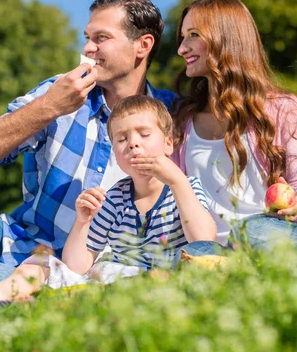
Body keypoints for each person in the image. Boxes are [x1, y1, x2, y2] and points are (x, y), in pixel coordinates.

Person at [0, 0, 176, 294]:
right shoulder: (60, 92)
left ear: (142, 45)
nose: (87, 48)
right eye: (87, 37)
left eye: (101, 38)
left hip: (91, 274)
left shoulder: (173, 115)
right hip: (16, 250)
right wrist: (48, 107)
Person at [171, 0, 297, 250]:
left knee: (254, 230)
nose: (182, 48)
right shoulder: (181, 120)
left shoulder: (282, 109)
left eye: (194, 35)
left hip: (270, 232)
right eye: (183, 37)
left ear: (226, 38)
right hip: (212, 245)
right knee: (195, 250)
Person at [62, 95, 217, 276]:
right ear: (115, 153)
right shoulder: (114, 200)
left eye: (144, 134)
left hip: (176, 282)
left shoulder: (185, 187)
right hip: (128, 287)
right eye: (121, 139)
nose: (133, 144)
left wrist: (177, 181)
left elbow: (204, 242)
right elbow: (76, 268)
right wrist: (82, 222)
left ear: (168, 144)